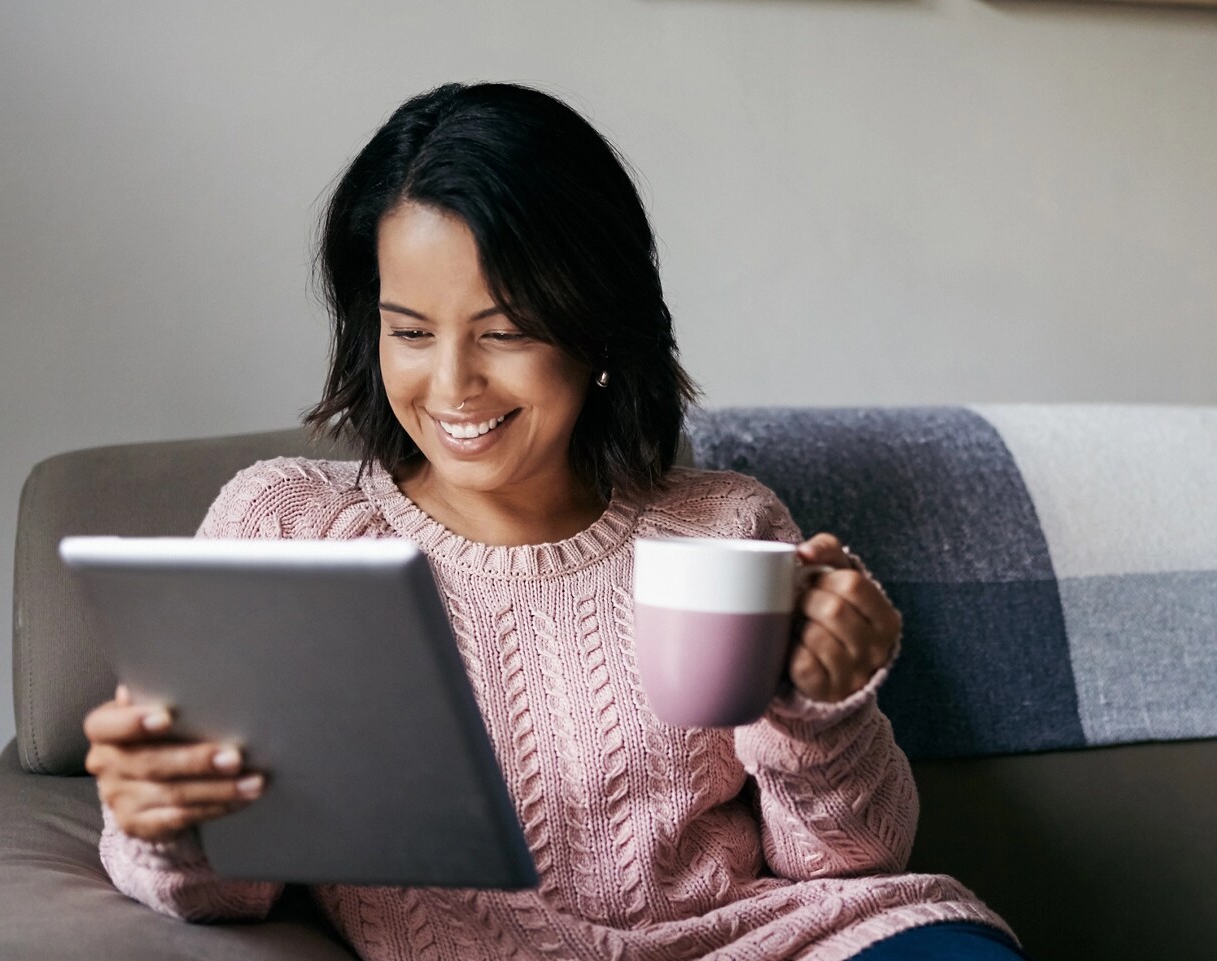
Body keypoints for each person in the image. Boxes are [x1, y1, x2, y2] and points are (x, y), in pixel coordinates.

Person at [83, 82, 1026, 960]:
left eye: (506, 331)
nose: (452, 384)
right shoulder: (284, 524)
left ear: (600, 332)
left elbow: (847, 860)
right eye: (410, 331)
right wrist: (163, 820)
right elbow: (228, 891)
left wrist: (824, 713)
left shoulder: (728, 524)